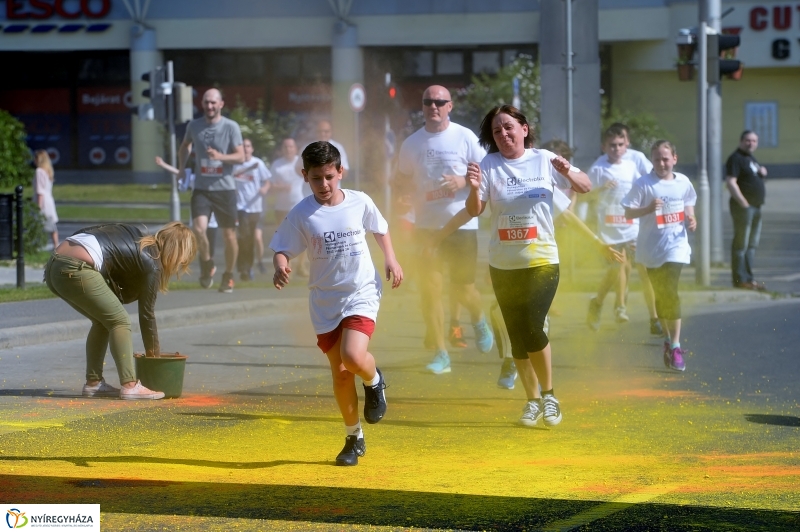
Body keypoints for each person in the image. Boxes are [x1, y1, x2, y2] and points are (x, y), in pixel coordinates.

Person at [270, 141, 403, 466]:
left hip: (361, 291)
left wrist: (390, 257)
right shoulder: (302, 213)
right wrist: (280, 264)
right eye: (316, 178)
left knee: (352, 356)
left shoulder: (360, 201)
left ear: (340, 172)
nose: (324, 184)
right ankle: (353, 437)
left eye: (329, 176)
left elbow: (380, 228)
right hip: (325, 299)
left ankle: (374, 380)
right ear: (305, 176)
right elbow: (282, 247)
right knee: (341, 373)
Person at [466, 104, 591, 427]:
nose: (503, 134)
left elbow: (585, 186)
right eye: (496, 131)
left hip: (542, 259)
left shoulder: (543, 159)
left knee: (533, 326)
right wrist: (473, 188)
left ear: (524, 129)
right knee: (517, 334)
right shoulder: (489, 165)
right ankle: (532, 401)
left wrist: (568, 171)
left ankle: (550, 396)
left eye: (508, 127)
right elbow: (475, 210)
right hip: (503, 264)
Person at [395, 84, 494, 375]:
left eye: (440, 102)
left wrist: (462, 181)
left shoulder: (465, 137)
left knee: (463, 289)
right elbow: (402, 180)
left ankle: (478, 318)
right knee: (431, 290)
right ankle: (441, 353)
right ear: (422, 106)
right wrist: (403, 196)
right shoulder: (411, 143)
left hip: (462, 223)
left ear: (450, 106)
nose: (433, 107)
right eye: (428, 102)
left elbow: (486, 170)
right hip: (427, 226)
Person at [44, 222, 197, 399]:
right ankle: (130, 385)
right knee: (120, 321)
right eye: (183, 260)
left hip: (55, 265)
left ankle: (94, 383)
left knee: (103, 321)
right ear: (178, 253)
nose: (181, 265)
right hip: (75, 267)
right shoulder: (152, 262)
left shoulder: (135, 239)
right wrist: (154, 356)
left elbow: (90, 231)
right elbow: (147, 315)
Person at [622, 140, 697, 372]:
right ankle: (667, 338)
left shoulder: (683, 181)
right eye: (657, 159)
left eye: (666, 159)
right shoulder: (644, 184)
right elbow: (628, 212)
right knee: (661, 295)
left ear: (674, 158)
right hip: (651, 249)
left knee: (670, 291)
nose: (662, 163)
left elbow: (688, 201)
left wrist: (691, 217)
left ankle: (676, 345)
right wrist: (647, 209)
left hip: (676, 246)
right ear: (651, 161)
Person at [586, 127, 661, 335]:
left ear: (626, 145)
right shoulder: (599, 168)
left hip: (632, 227)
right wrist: (601, 189)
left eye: (620, 145)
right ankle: (597, 303)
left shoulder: (630, 166)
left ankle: (654, 318)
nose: (616, 149)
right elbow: (584, 194)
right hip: (609, 229)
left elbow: (643, 187)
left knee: (644, 270)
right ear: (604, 147)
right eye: (612, 145)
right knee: (614, 270)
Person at [178, 88, 245, 293]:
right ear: (202, 104)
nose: (210, 106)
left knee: (229, 236)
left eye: (213, 102)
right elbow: (185, 146)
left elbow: (241, 156)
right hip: (202, 188)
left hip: (224, 189)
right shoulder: (194, 125)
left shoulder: (231, 127)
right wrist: (181, 168)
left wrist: (220, 157)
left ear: (221, 104)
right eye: (206, 102)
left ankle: (228, 275)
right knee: (198, 229)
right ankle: (208, 264)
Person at [725, 130, 768, 291]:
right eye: (748, 140)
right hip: (743, 208)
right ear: (741, 141)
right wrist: (743, 203)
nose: (751, 143)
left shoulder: (750, 159)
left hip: (756, 207)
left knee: (751, 245)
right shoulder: (735, 158)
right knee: (741, 245)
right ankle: (739, 280)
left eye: (754, 141)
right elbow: (731, 182)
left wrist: (762, 173)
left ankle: (749, 279)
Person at [155, 156, 219, 259]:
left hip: (212, 223)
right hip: (198, 222)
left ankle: (209, 265)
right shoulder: (196, 180)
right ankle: (205, 268)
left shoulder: (218, 181)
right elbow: (179, 173)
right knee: (200, 249)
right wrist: (163, 164)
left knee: (210, 251)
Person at [233, 138, 271, 281]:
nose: (245, 148)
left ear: (252, 149)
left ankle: (248, 267)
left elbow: (267, 181)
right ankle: (244, 268)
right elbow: (230, 178)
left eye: (248, 146)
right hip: (240, 206)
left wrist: (264, 188)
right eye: (243, 146)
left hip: (255, 207)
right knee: (244, 237)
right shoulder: (235, 164)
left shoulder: (258, 163)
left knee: (251, 239)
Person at [269, 137, 308, 276]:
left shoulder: (301, 162)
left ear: (295, 148)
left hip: (298, 205)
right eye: (285, 147)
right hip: (281, 207)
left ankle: (301, 266)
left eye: (291, 146)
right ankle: (286, 267)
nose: (288, 149)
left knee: (303, 237)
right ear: (282, 149)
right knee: (283, 238)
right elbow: (270, 185)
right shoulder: (277, 165)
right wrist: (281, 187)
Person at [33, 150, 59, 250]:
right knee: (51, 225)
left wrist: (38, 206)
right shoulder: (48, 171)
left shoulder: (39, 171)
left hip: (43, 201)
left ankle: (37, 245)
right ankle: (56, 245)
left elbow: (40, 190)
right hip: (49, 201)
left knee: (39, 223)